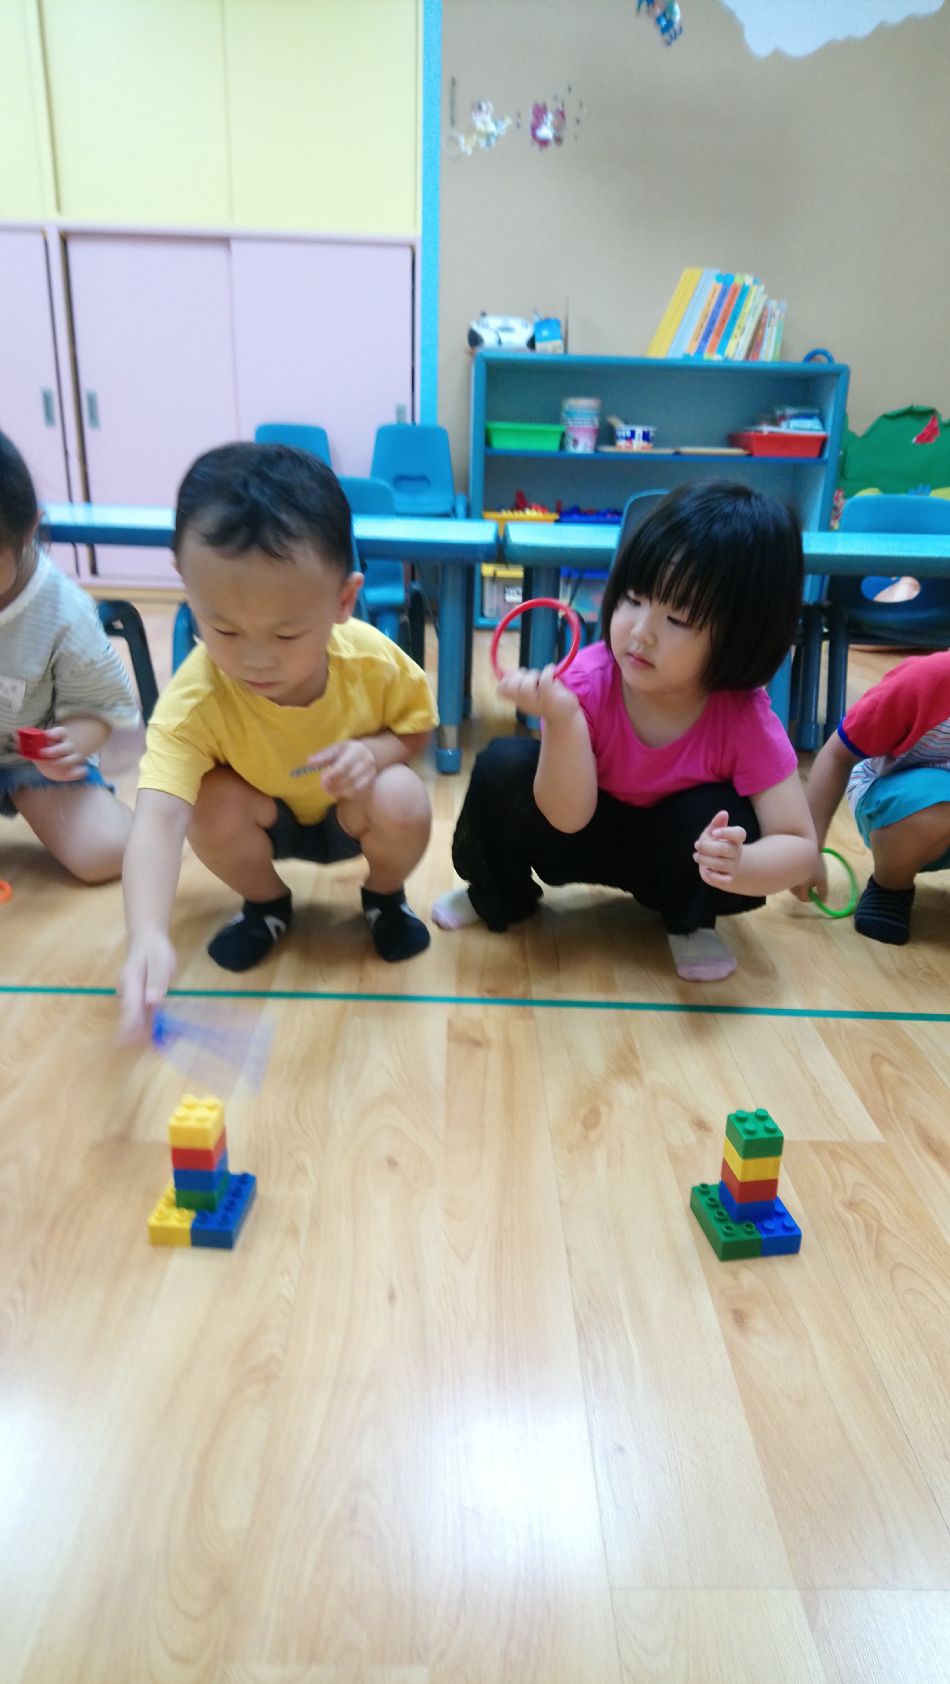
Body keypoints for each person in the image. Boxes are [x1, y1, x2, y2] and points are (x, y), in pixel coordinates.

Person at [433, 481, 818, 981]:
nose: (640, 632)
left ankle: (689, 922)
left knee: (726, 817)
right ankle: (498, 893)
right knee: (502, 767)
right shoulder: (587, 682)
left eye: (677, 618)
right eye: (633, 599)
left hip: (672, 859)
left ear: (743, 634)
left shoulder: (743, 717)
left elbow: (798, 843)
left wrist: (741, 866)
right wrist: (564, 721)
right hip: (575, 835)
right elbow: (566, 817)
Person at [119, 442, 436, 1038]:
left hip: (351, 814)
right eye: (223, 628)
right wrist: (146, 935)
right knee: (205, 800)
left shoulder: (373, 662)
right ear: (188, 588)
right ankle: (266, 904)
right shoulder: (194, 702)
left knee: (403, 797)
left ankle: (384, 897)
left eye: (287, 634)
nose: (256, 659)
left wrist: (373, 754)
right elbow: (158, 818)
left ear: (344, 600)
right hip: (264, 820)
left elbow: (417, 729)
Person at [0, 430, 137, 881]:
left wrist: (69, 746)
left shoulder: (62, 612)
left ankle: (133, 821)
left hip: (33, 765)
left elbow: (98, 709)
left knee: (108, 853)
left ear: (28, 532)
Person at [794, 649, 950, 944]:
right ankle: (891, 887)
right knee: (939, 796)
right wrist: (809, 848)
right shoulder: (927, 680)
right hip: (899, 803)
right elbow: (837, 755)